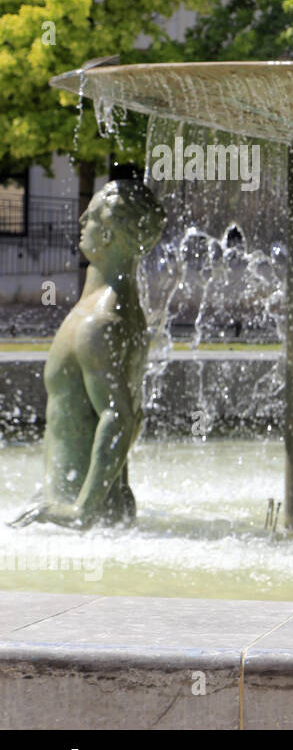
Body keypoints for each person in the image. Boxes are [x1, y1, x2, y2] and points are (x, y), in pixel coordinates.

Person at [15, 178, 167, 527]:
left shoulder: (99, 322)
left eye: (94, 215)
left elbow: (120, 417)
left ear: (110, 235)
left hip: (84, 520)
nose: (82, 220)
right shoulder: (120, 309)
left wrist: (79, 511)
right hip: (91, 507)